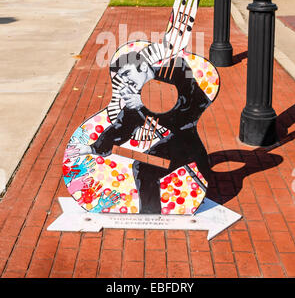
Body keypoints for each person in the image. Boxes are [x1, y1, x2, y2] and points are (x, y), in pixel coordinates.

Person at [74, 50, 211, 213]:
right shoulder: (139, 96)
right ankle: (150, 214)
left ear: (144, 66)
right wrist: (93, 148)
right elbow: (122, 126)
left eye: (127, 73)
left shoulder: (177, 69)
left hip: (208, 131)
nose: (126, 81)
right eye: (122, 77)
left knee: (211, 177)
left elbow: (184, 102)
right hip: (183, 139)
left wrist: (146, 100)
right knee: (144, 167)